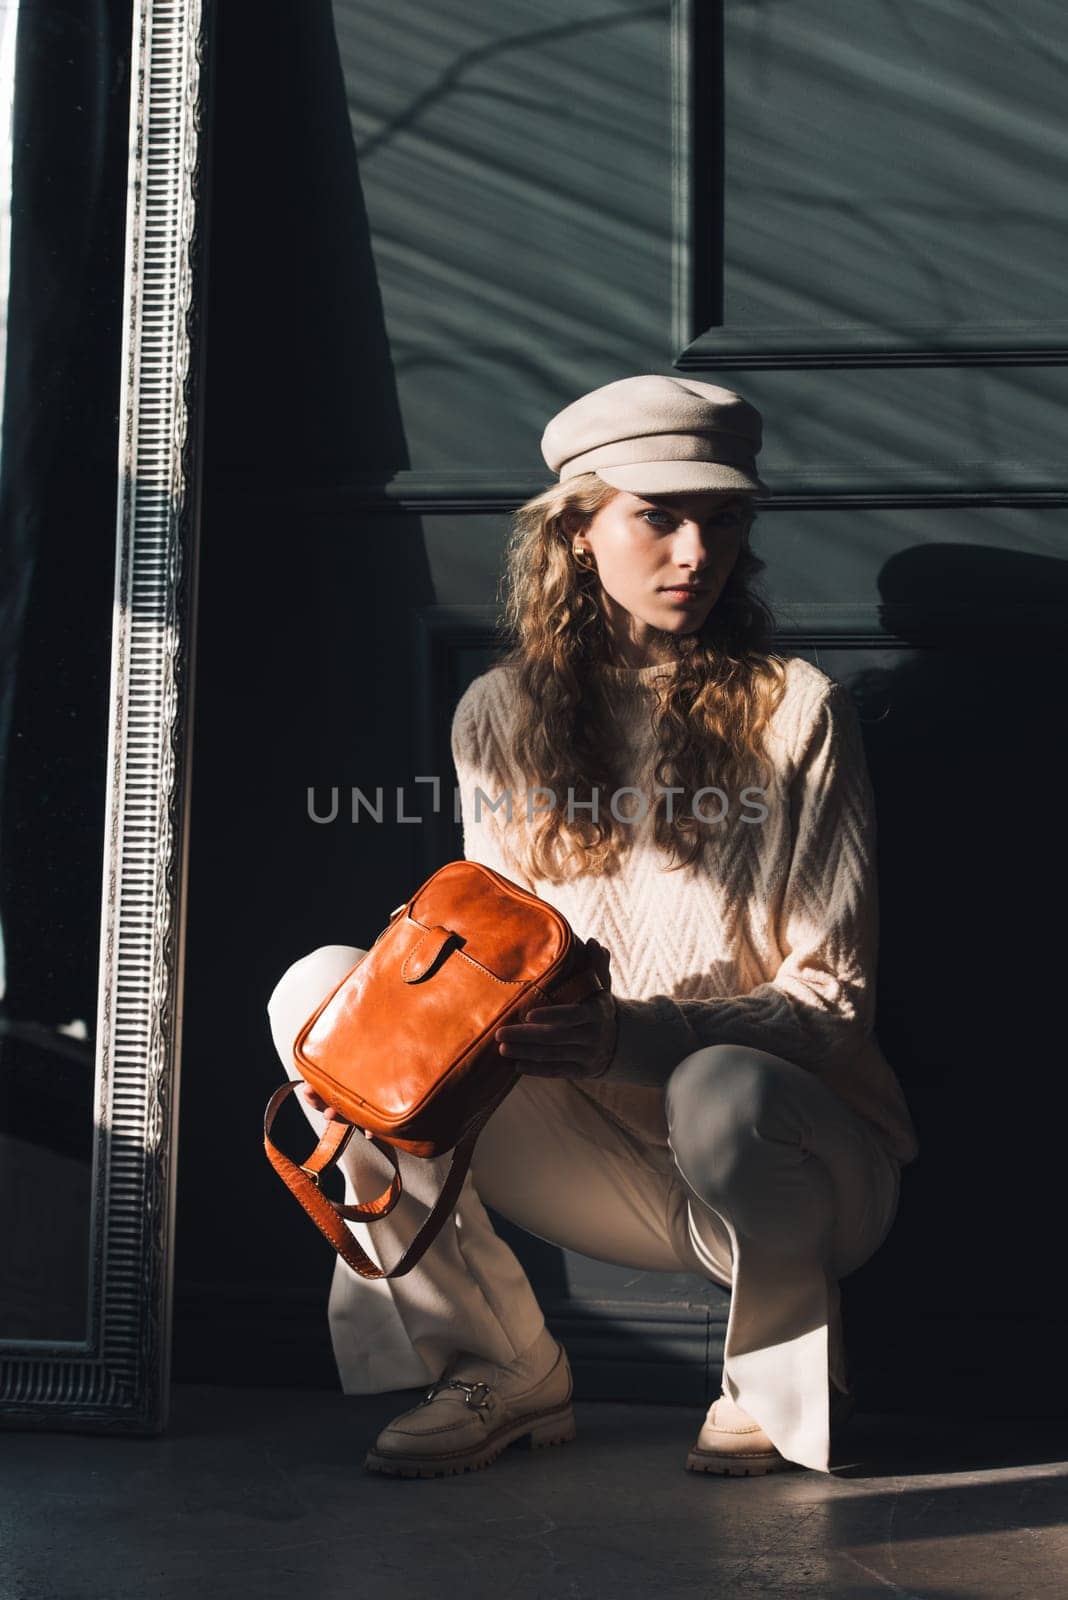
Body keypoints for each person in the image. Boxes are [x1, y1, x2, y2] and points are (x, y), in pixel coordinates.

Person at [267, 373, 919, 1481]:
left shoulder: (800, 710)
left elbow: (835, 1002)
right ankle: (504, 1366)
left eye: (722, 520)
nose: (695, 552)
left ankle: (783, 1369)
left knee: (720, 1085)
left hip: (792, 1158)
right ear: (578, 531)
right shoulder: (499, 718)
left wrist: (630, 1035)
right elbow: (474, 968)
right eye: (658, 516)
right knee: (324, 999)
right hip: (584, 1152)